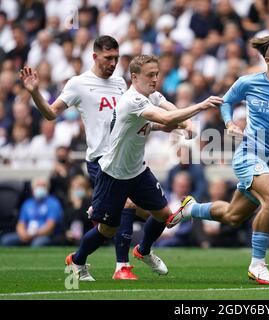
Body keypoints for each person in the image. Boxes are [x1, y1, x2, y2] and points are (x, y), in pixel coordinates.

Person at [20, 36, 194, 280]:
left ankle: (83, 259)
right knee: (128, 207)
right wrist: (35, 92)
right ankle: (121, 267)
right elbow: (50, 114)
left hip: (130, 159)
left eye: (116, 58)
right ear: (94, 56)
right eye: (108, 58)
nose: (113, 63)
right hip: (101, 161)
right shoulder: (78, 84)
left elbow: (131, 122)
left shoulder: (122, 85)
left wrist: (163, 126)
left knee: (121, 225)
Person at [166, 35, 269, 285]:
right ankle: (257, 264)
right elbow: (226, 101)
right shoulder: (248, 82)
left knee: (232, 216)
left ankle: (191, 209)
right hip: (248, 154)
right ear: (268, 59)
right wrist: (229, 123)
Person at [65, 54, 222, 281]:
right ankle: (77, 261)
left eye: (157, 74)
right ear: (134, 76)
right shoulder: (132, 100)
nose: (155, 79)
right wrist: (200, 106)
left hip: (137, 171)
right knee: (107, 230)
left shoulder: (151, 95)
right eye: (150, 75)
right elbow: (166, 117)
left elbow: (169, 109)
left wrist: (187, 125)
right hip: (113, 174)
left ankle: (144, 250)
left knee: (164, 214)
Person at [1, 176, 62, 247]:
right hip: (27, 233)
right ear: (33, 188)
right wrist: (23, 234)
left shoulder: (53, 203)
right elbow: (21, 223)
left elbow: (50, 226)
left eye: (43, 186)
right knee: (6, 240)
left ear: (48, 188)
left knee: (37, 244)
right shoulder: (27, 203)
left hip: (44, 235)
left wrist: (34, 234)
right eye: (38, 186)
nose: (40, 188)